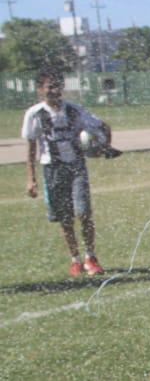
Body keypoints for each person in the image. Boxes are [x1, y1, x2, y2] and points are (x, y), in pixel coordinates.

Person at [22, 70, 114, 277]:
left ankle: (91, 256)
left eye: (58, 86)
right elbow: (31, 149)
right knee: (65, 217)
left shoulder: (74, 110)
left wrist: (104, 146)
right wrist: (31, 179)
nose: (54, 91)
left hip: (76, 167)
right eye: (49, 87)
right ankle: (75, 259)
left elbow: (102, 126)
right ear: (40, 89)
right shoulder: (34, 114)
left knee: (84, 212)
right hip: (53, 169)